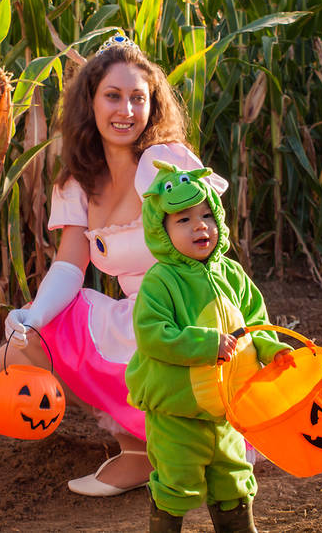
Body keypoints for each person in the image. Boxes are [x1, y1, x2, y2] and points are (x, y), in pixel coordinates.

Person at [0, 32, 228, 496]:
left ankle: (187, 442)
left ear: (152, 104)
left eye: (138, 98)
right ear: (91, 103)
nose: (126, 111)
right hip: (139, 314)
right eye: (113, 96)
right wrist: (33, 317)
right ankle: (138, 448)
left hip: (188, 310)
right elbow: (69, 267)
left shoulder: (164, 164)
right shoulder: (78, 182)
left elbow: (209, 241)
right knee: (18, 351)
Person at [126, 161, 293, 532]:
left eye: (206, 215)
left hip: (227, 411)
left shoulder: (231, 274)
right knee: (177, 482)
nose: (200, 225)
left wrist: (272, 350)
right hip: (178, 412)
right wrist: (207, 344)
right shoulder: (160, 281)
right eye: (183, 220)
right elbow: (153, 334)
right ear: (162, 231)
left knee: (234, 479)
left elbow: (256, 322)